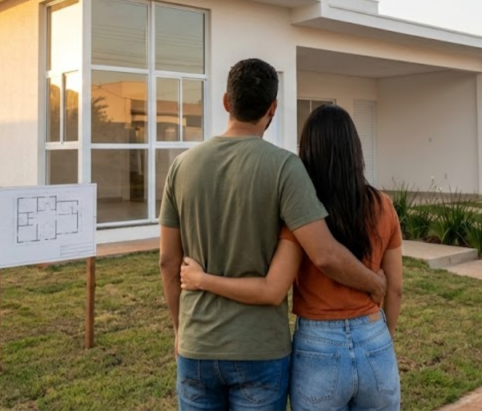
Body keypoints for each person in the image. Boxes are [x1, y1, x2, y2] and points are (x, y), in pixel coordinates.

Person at [159, 59, 387, 411]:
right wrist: (374, 283)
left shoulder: (181, 166)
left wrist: (179, 328)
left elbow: (167, 261)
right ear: (273, 108)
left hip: (197, 344)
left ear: (225, 102)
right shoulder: (284, 167)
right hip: (260, 349)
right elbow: (324, 253)